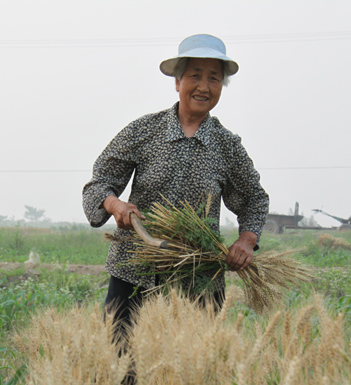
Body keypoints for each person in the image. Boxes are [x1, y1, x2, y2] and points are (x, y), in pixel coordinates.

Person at [82, 34, 269, 350]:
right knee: (119, 365)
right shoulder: (145, 131)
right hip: (135, 269)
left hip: (199, 275)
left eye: (214, 78)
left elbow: (254, 198)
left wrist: (246, 240)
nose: (204, 87)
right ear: (178, 81)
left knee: (192, 371)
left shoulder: (227, 146)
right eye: (195, 75)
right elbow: (99, 181)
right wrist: (115, 204)